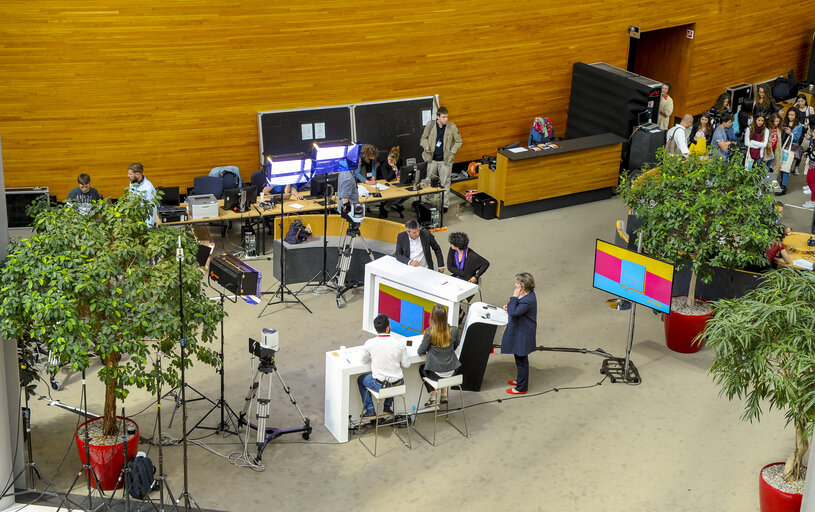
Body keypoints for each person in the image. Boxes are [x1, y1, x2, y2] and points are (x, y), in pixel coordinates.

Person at [357, 314, 409, 418]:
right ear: (388, 327)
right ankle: (387, 407)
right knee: (392, 376)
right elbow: (406, 365)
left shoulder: (370, 343)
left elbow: (363, 360)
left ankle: (370, 409)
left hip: (379, 386)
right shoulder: (400, 343)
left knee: (361, 379)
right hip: (398, 385)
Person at [420, 106, 462, 212]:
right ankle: (427, 202)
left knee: (445, 183)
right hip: (432, 159)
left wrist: (452, 152)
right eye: (443, 117)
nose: (446, 119)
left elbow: (459, 141)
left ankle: (444, 205)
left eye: (447, 117)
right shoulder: (430, 125)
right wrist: (426, 146)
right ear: (438, 117)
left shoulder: (452, 127)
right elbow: (423, 138)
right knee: (429, 181)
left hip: (445, 161)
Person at [417, 304, 461, 407]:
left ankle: (433, 396)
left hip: (437, 375)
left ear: (432, 317)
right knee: (441, 366)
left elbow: (420, 352)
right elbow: (455, 346)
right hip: (453, 372)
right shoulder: (454, 330)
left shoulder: (429, 333)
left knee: (422, 369)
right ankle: (444, 394)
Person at [501, 272, 537, 395]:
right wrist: (511, 305)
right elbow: (514, 309)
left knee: (521, 360)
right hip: (520, 331)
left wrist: (514, 297)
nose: (515, 285)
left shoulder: (528, 300)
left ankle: (521, 388)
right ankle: (520, 380)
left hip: (523, 334)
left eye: (517, 283)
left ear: (523, 286)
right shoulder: (526, 295)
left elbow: (514, 313)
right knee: (519, 358)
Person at [776, 109, 803, 195]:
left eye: (792, 115)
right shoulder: (784, 122)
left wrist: (790, 133)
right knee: (778, 166)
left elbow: (797, 139)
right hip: (781, 146)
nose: (790, 117)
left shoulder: (799, 126)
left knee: (786, 167)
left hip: (790, 148)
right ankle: (780, 183)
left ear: (796, 116)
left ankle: (783, 186)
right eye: (789, 115)